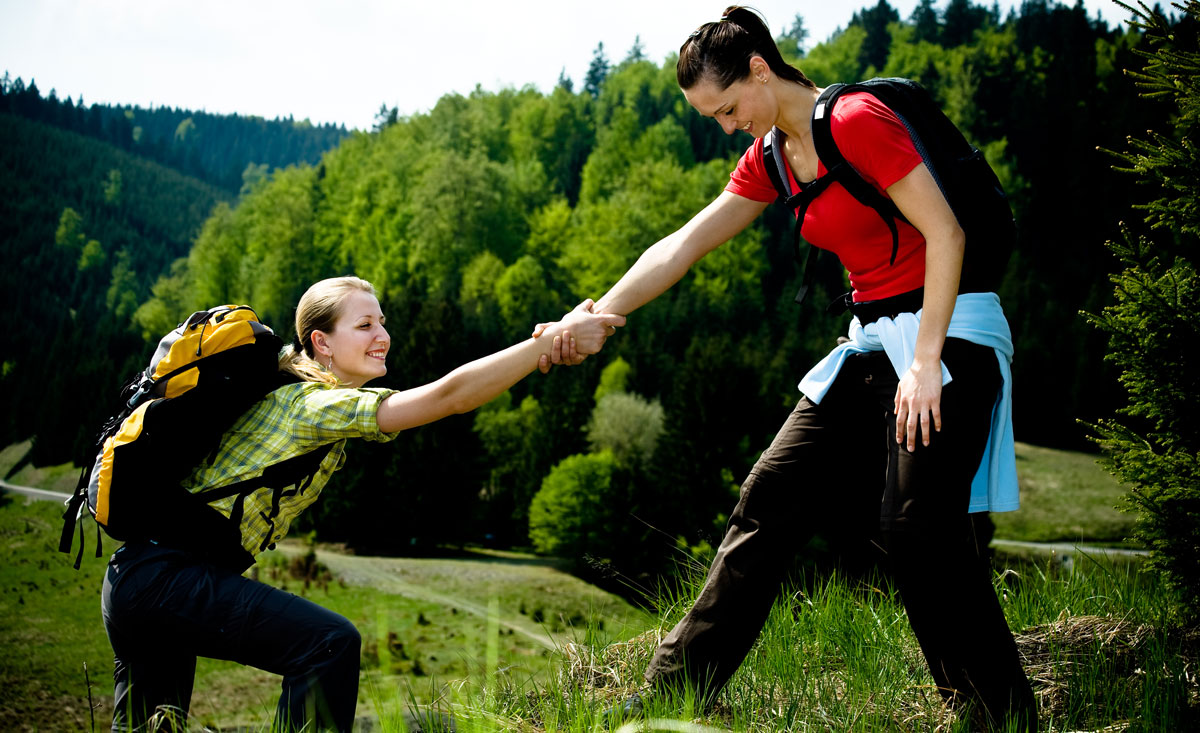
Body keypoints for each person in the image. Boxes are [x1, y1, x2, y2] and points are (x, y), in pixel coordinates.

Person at [537, 6, 1036, 731]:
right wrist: (599, 315)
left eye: (728, 105)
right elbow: (684, 244)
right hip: (870, 345)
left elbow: (946, 231)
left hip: (950, 330)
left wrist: (926, 363)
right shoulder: (772, 155)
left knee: (916, 525)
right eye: (712, 115)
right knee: (768, 494)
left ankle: (998, 712)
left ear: (761, 71)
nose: (726, 124)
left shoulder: (857, 119)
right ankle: (675, 693)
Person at [101, 275, 625, 732]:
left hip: (138, 583)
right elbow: (447, 397)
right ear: (321, 343)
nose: (383, 336)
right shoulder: (311, 404)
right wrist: (544, 345)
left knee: (153, 727)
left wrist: (556, 333)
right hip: (166, 579)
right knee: (327, 644)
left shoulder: (294, 397)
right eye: (365, 326)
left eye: (382, 322)